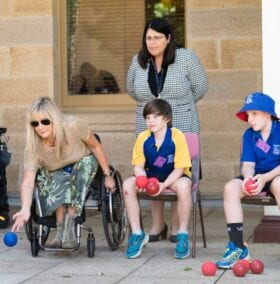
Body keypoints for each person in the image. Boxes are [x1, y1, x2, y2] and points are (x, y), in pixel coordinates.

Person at [127, 17, 208, 244]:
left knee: (176, 173)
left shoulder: (185, 57)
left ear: (168, 38)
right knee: (152, 171)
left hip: (181, 121)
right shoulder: (138, 61)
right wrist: (153, 110)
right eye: (148, 38)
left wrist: (180, 105)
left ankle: (175, 227)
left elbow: (201, 86)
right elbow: (132, 90)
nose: (152, 43)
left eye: (157, 38)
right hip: (149, 123)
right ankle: (157, 224)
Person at [11, 96, 116, 248]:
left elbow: (96, 147)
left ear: (55, 119)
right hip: (56, 170)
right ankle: (60, 230)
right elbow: (28, 182)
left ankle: (70, 224)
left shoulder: (74, 125)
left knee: (81, 168)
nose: (40, 127)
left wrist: (107, 175)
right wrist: (25, 209)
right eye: (35, 123)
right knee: (53, 177)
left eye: (45, 121)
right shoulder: (34, 147)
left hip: (83, 162)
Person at [215, 92, 280, 269]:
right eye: (247, 115)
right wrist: (249, 179)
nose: (250, 119)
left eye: (254, 114)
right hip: (258, 175)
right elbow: (248, 165)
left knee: (279, 183)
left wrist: (264, 179)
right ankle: (238, 247)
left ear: (267, 113)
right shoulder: (249, 135)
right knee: (231, 187)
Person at [123, 98, 192, 259]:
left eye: (155, 117)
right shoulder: (143, 138)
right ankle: (137, 233)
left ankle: (182, 233)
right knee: (127, 185)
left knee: (183, 187)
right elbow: (139, 166)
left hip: (175, 175)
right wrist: (142, 179)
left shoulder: (177, 136)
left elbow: (180, 168)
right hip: (152, 174)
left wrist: (164, 185)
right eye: (147, 118)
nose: (150, 121)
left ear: (166, 119)